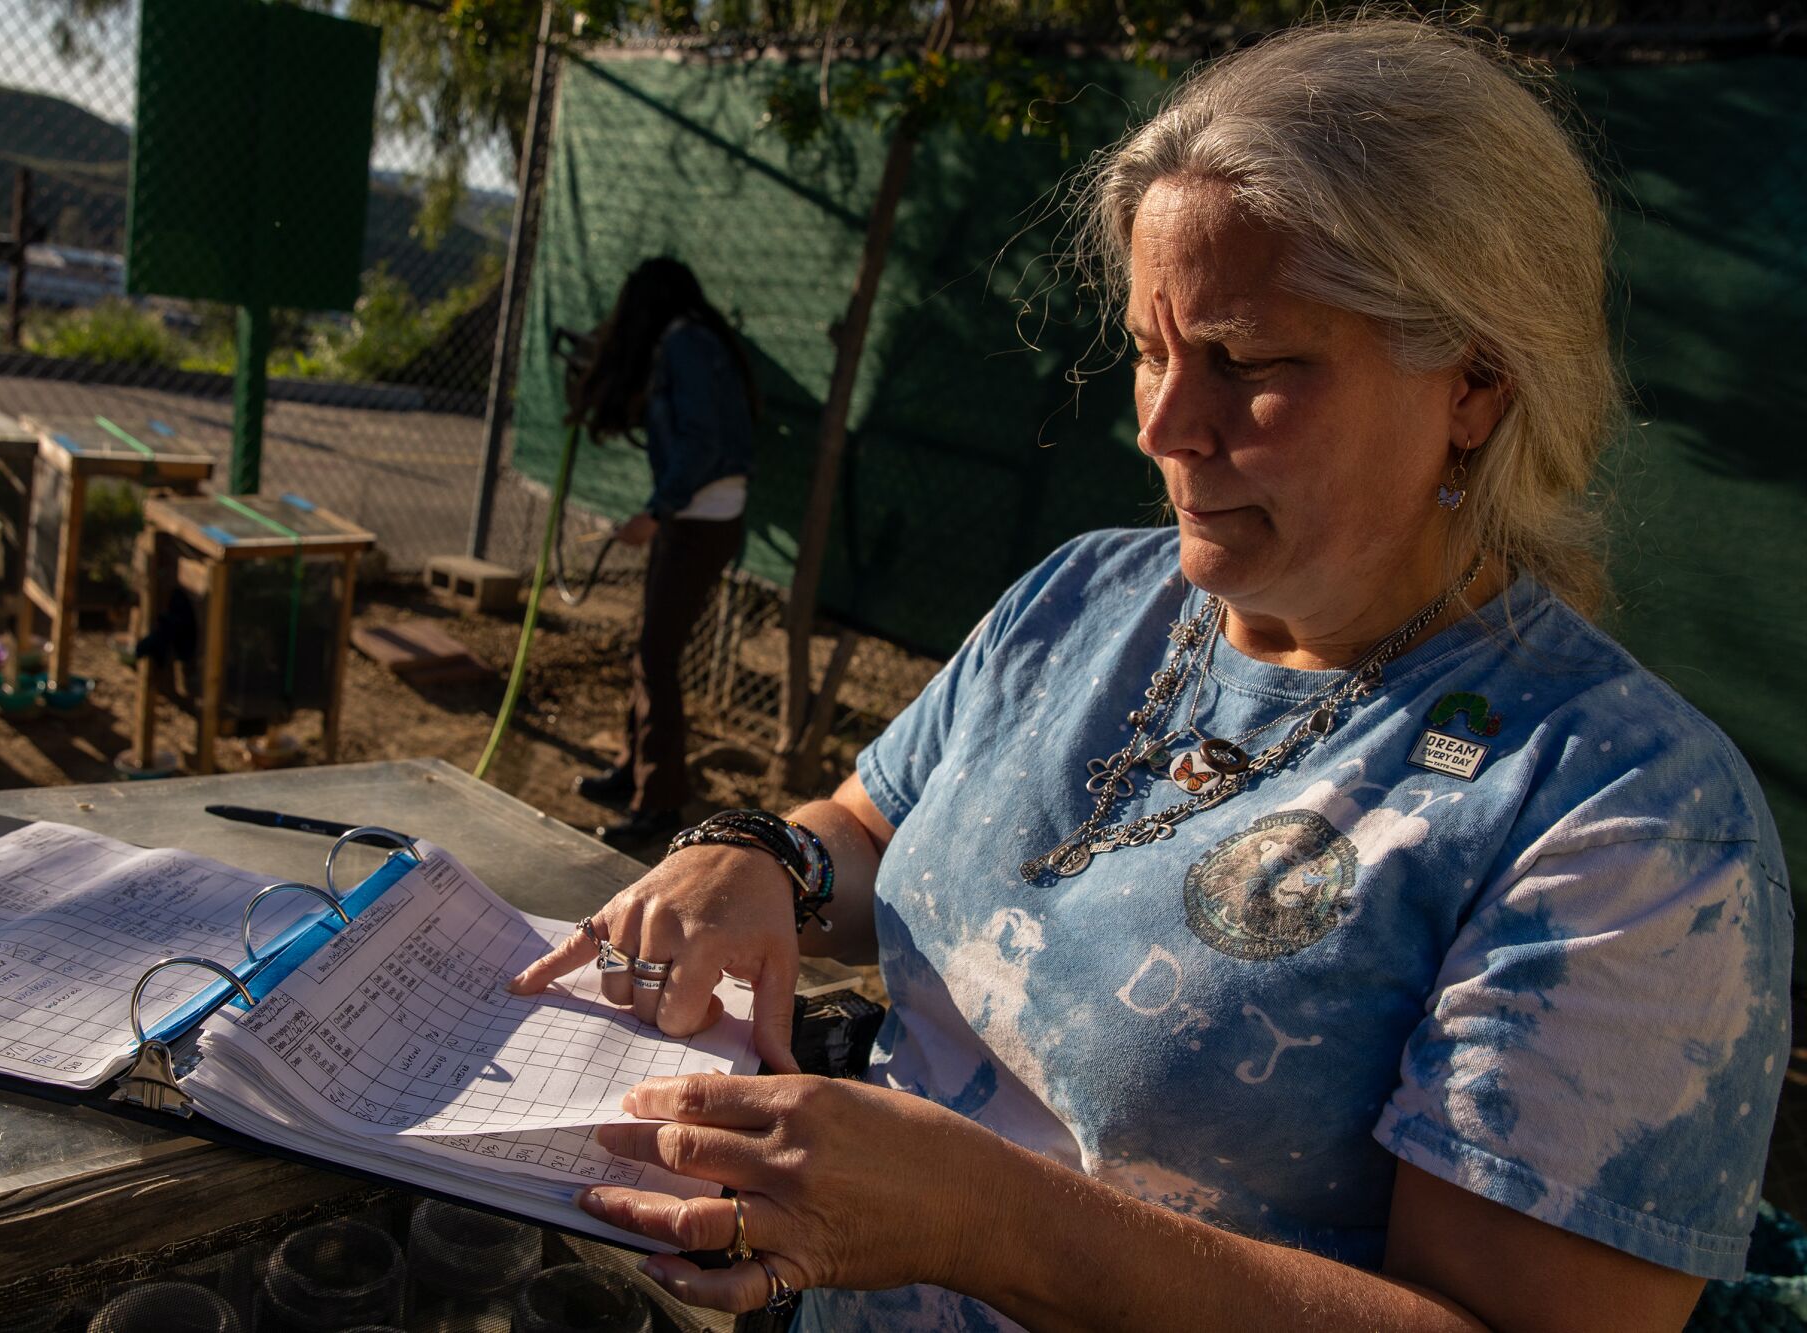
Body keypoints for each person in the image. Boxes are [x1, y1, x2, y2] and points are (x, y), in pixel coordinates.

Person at [511, 18, 1792, 1330]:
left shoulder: (1627, 819)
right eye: (1148, 347)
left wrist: (990, 1222)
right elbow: (868, 828)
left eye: (1248, 362)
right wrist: (759, 859)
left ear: (1474, 379)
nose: (1166, 426)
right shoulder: (1086, 597)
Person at [566, 257, 759, 847]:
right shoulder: (687, 342)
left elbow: (702, 441)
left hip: (700, 520)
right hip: (696, 518)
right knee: (649, 649)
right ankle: (633, 771)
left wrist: (656, 512)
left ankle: (659, 804)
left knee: (656, 656)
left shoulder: (685, 345)